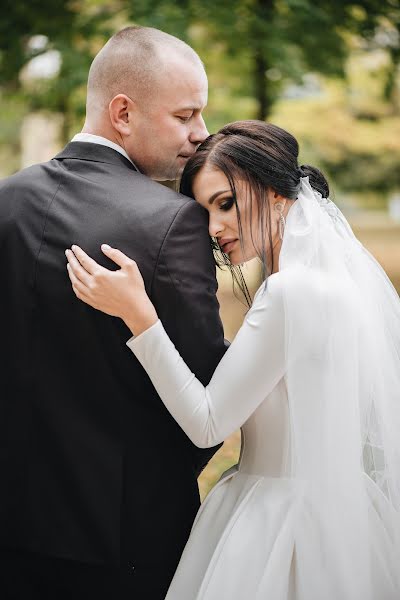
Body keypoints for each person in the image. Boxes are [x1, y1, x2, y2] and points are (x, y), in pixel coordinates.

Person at [66, 120, 400, 599]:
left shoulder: (289, 292)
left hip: (278, 523)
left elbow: (206, 424)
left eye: (225, 203)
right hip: (342, 518)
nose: (213, 228)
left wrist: (139, 316)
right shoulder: (336, 287)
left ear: (279, 194)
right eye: (203, 211)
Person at [0, 26, 226, 599]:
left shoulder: (5, 203)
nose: (201, 135)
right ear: (122, 112)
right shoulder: (174, 222)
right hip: (126, 537)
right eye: (185, 115)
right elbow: (205, 400)